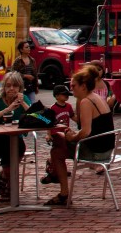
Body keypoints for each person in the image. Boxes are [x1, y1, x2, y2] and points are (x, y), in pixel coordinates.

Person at [44, 65, 116, 206]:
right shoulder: (96, 97)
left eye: (74, 86)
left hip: (97, 153)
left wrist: (72, 137)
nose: (71, 89)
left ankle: (63, 191)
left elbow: (85, 132)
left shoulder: (86, 101)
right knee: (58, 145)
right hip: (107, 148)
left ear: (83, 86)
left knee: (56, 149)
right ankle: (56, 177)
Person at [0, 71, 30, 200]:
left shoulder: (23, 99)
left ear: (20, 87)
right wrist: (7, 110)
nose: (11, 88)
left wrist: (23, 104)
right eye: (8, 85)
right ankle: (10, 185)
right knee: (11, 149)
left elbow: (41, 117)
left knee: (18, 147)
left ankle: (5, 176)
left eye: (15, 86)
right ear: (4, 87)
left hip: (16, 140)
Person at [40, 85, 75, 186]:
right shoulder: (53, 108)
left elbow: (73, 116)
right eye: (64, 94)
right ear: (57, 96)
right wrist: (48, 134)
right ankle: (55, 169)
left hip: (65, 132)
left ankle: (54, 164)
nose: (66, 96)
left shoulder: (68, 106)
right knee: (61, 149)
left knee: (63, 150)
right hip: (55, 133)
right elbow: (48, 122)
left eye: (67, 95)